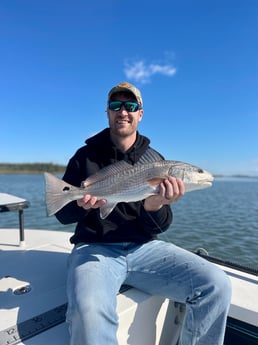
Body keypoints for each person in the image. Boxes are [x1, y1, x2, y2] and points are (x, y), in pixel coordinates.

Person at [55, 81, 232, 345]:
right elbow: (63, 214)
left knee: (216, 285)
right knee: (89, 311)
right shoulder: (84, 157)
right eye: (116, 105)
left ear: (140, 113)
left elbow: (158, 228)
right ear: (107, 112)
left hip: (144, 249)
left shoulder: (156, 159)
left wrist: (155, 205)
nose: (123, 111)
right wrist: (79, 205)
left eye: (130, 106)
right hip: (94, 248)